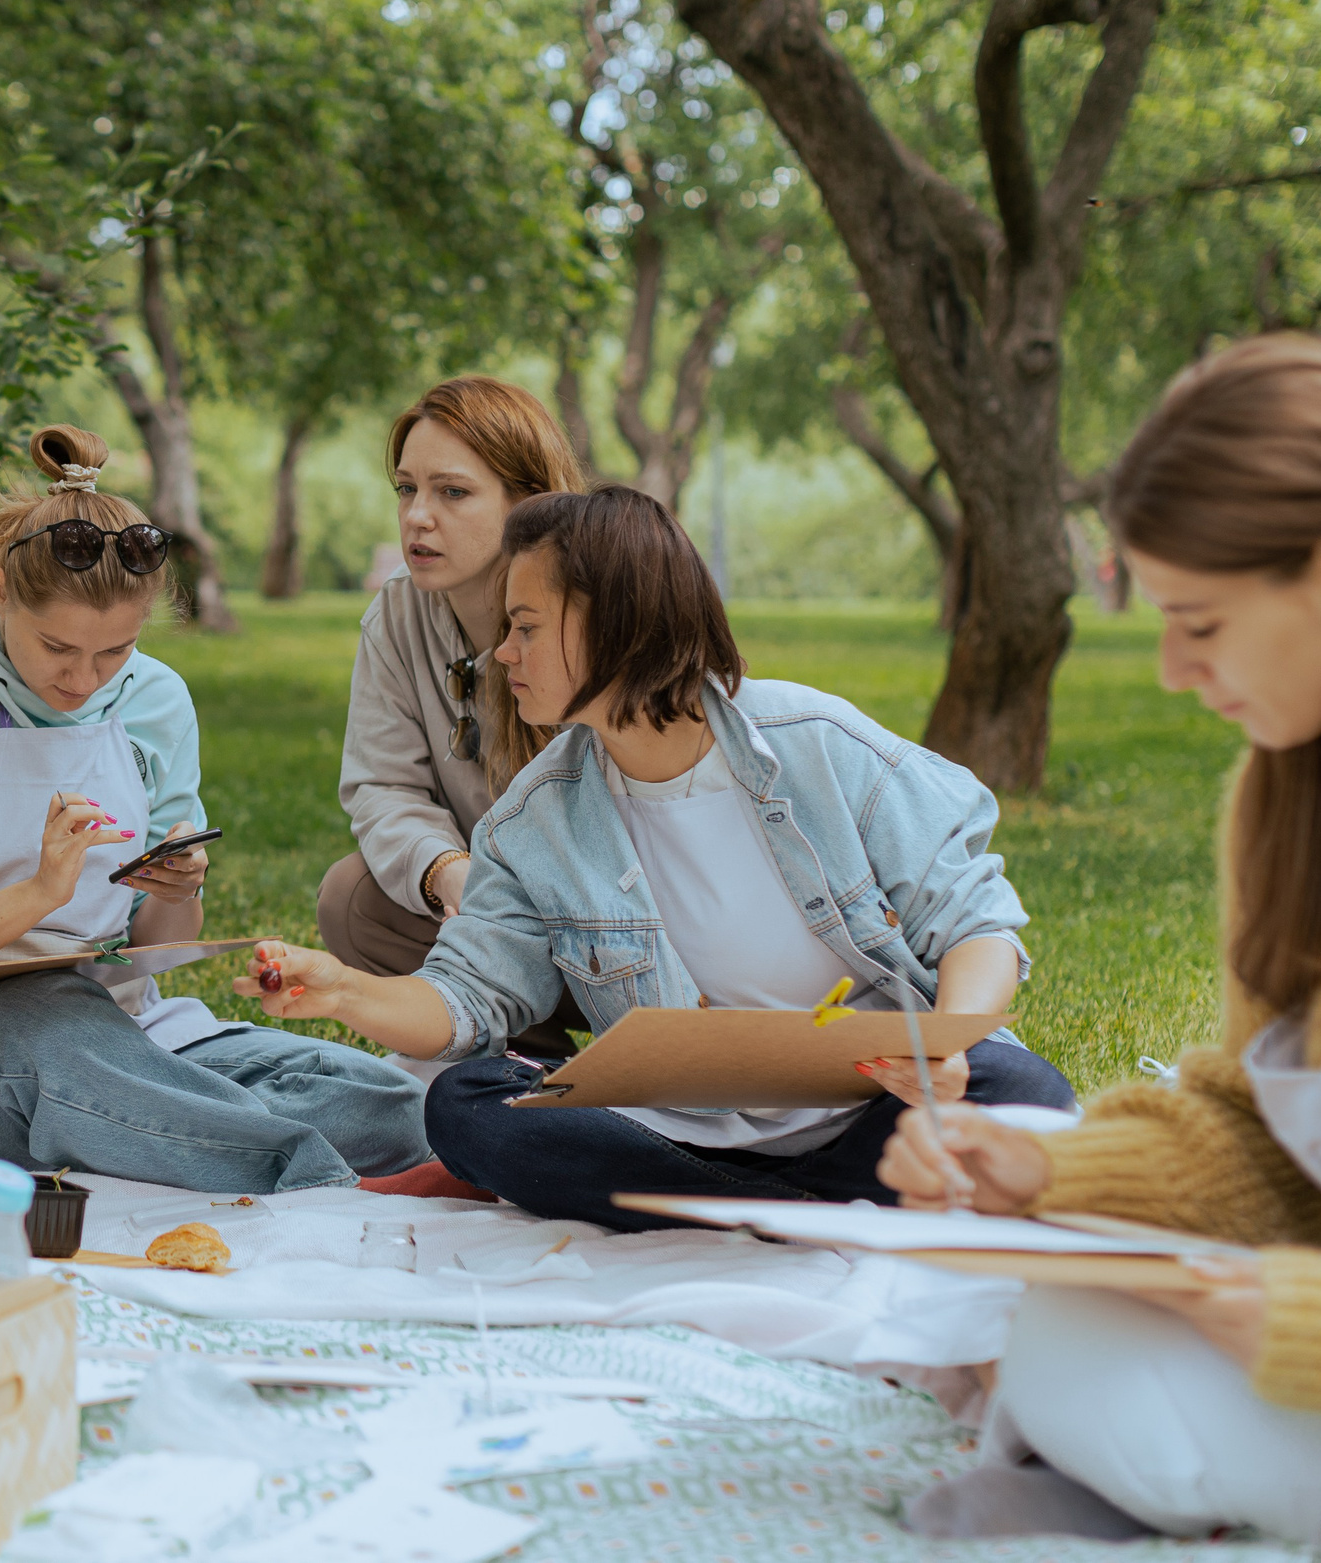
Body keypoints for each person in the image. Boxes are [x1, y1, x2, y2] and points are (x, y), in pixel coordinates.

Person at [881, 336, 1321, 1547]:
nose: (1170, 669)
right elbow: (1262, 1123)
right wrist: (1049, 1176)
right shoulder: (1289, 796)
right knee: (1032, 1200)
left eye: (1198, 620)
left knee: (1067, 1349)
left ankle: (1137, 1467)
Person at [234, 483, 1074, 1229]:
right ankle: (813, 1213)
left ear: (612, 621)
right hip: (672, 1127)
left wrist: (941, 1043)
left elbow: (978, 922)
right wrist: (343, 990)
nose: (502, 653)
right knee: (467, 1105)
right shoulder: (536, 819)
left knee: (1025, 1091)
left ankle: (731, 1210)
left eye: (525, 627)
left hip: (868, 1113)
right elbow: (469, 996)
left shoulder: (816, 744)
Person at [0, 425, 430, 1191]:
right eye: (56, 648)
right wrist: (39, 896)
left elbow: (159, 949)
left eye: (114, 652)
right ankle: (305, 1177)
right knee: (54, 1029)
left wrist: (176, 891)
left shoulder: (155, 701)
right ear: (2, 592)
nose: (84, 678)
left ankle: (231, 1134)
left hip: (122, 1026)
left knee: (388, 1100)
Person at [319, 377, 588, 1020]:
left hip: (623, 919)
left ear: (527, 502)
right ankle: (516, 1060)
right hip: (490, 909)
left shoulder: (592, 613)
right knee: (351, 899)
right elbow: (385, 787)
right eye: (407, 488)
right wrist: (446, 872)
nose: (417, 516)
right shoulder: (397, 614)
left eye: (453, 492)